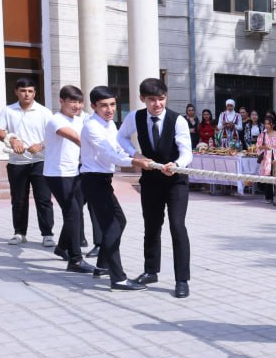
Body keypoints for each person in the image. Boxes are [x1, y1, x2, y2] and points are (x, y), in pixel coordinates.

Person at [118, 78, 193, 299]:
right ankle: (151, 271)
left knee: (177, 226)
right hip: (150, 181)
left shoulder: (177, 120)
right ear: (142, 99)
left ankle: (182, 280)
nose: (157, 104)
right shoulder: (135, 117)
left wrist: (176, 164)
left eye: (161, 99)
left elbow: (187, 152)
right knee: (151, 226)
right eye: (152, 99)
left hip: (176, 181)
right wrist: (135, 154)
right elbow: (120, 136)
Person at [79, 86, 152, 291]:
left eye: (112, 104)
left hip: (103, 180)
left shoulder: (109, 124)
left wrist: (136, 155)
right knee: (112, 226)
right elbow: (109, 154)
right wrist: (134, 162)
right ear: (93, 106)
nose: (110, 109)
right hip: (93, 180)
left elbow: (118, 146)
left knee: (119, 221)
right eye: (104, 105)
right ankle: (118, 278)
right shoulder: (92, 127)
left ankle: (102, 265)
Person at [0, 78, 55, 247]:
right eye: (23, 91)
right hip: (16, 163)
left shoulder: (44, 112)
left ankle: (47, 235)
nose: (26, 94)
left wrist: (41, 145)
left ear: (34, 93)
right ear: (16, 92)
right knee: (18, 200)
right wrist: (11, 139)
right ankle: (19, 233)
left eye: (30, 91)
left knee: (44, 200)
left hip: (40, 162)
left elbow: (54, 135)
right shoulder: (8, 110)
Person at [42, 84, 95, 274]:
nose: (77, 106)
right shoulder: (56, 120)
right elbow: (77, 139)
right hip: (58, 174)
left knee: (75, 211)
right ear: (61, 101)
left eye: (80, 102)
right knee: (72, 212)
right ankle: (75, 259)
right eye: (72, 101)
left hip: (75, 172)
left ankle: (62, 247)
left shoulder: (79, 120)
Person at [255, 114, 276, 203]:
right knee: (268, 176)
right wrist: (265, 147)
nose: (267, 126)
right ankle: (268, 196)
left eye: (268, 124)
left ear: (272, 124)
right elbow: (258, 146)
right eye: (265, 124)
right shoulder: (262, 135)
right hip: (267, 157)